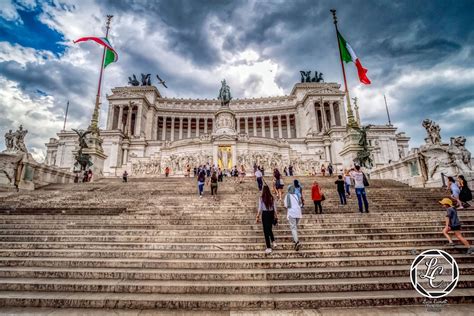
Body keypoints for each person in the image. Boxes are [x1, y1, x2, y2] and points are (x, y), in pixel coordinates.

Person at [256, 185, 278, 254]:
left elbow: (260, 208)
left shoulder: (261, 198)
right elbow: (275, 208)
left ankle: (269, 247)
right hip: (271, 214)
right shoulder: (272, 198)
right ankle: (273, 241)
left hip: (265, 214)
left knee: (266, 231)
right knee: (269, 229)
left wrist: (257, 216)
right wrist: (276, 216)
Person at [284, 185, 302, 251]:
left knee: (293, 227)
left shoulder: (287, 196)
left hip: (291, 213)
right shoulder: (297, 195)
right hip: (298, 213)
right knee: (295, 227)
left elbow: (286, 205)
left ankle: (297, 242)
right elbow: (301, 204)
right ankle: (295, 240)